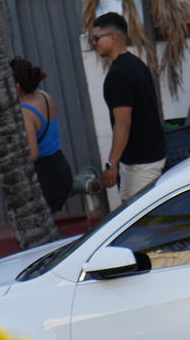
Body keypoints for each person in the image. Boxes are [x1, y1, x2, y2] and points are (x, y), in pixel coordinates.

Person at [88, 12, 167, 201]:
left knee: (137, 217)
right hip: (148, 157)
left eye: (97, 38)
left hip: (140, 165)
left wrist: (111, 164)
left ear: (113, 37)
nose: (95, 43)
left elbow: (123, 123)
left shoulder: (119, 74)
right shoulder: (137, 64)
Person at [11, 56, 73, 214]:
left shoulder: (25, 112)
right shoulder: (44, 96)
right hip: (61, 166)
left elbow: (33, 154)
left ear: (17, 86)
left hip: (46, 175)